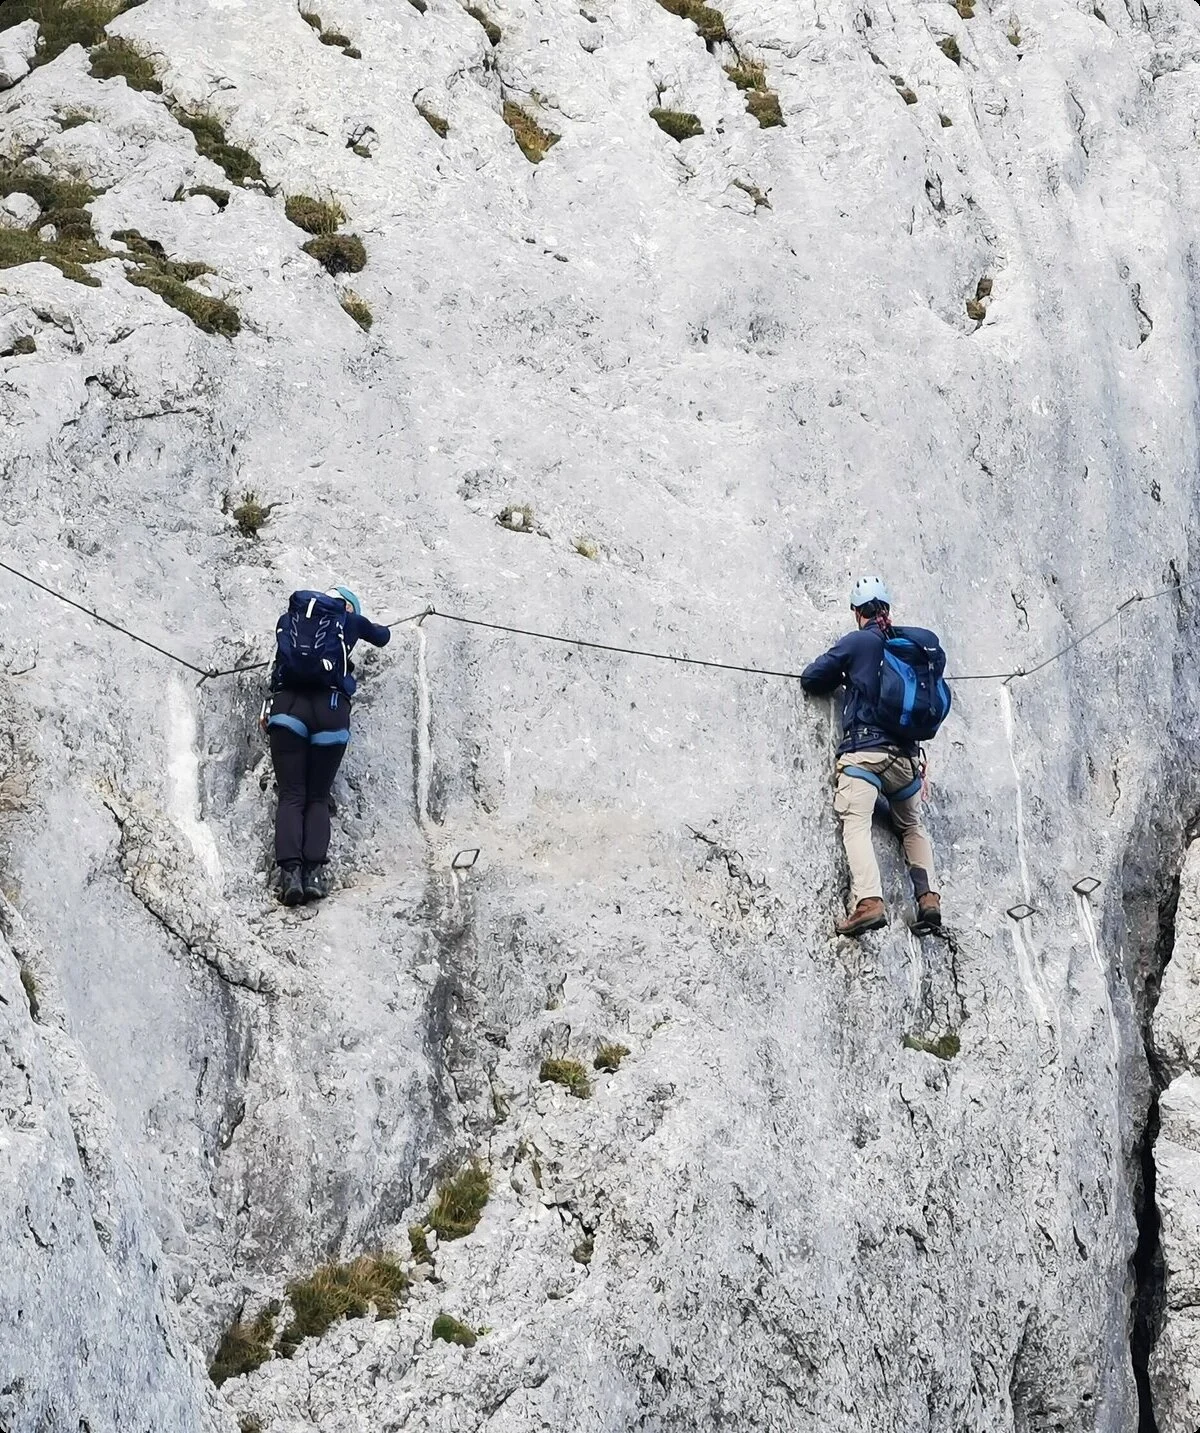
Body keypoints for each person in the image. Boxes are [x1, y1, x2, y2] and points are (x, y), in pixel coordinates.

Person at [800, 576, 943, 937]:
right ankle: (927, 899)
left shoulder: (859, 642)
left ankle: (869, 902)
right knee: (912, 826)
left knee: (856, 822)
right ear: (887, 609)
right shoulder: (911, 646)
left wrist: (845, 675)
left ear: (856, 612)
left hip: (865, 754)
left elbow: (812, 678)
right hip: (907, 762)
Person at [261, 584, 391, 905]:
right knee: (317, 797)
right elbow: (383, 636)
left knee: (291, 795)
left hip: (288, 709)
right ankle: (315, 874)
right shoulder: (350, 621)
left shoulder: (291, 619)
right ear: (348, 607)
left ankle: (290, 875)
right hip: (331, 713)